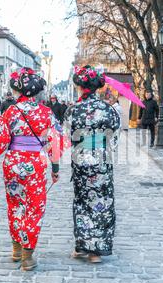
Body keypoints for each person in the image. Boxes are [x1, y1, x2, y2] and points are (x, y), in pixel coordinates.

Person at [0, 67, 65, 271]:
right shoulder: (46, 112)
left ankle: (16, 249)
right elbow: (55, 141)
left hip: (13, 162)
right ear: (38, 91)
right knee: (34, 207)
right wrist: (55, 168)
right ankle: (27, 256)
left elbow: (0, 138)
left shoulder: (11, 111)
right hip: (35, 163)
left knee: (15, 204)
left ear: (18, 91)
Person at [64, 65, 121, 264]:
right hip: (102, 160)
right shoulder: (109, 110)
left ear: (80, 87)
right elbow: (114, 139)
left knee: (81, 202)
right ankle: (96, 250)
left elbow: (68, 136)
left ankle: (82, 245)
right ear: (97, 87)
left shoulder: (73, 110)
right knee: (102, 203)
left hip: (81, 159)